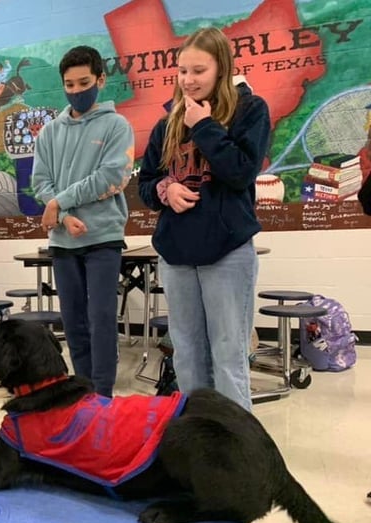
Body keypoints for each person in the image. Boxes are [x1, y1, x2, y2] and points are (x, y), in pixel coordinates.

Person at [138, 27, 271, 412]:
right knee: (187, 356)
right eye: (182, 71)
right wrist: (166, 190)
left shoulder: (250, 110)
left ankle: (235, 450)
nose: (188, 80)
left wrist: (204, 126)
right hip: (177, 255)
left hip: (227, 252)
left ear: (221, 70)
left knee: (229, 356)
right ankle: (198, 440)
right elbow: (146, 183)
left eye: (198, 71)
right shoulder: (167, 124)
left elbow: (241, 172)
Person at [32, 45, 135, 398]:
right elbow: (39, 183)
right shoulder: (48, 133)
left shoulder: (117, 125)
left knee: (102, 319)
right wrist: (61, 216)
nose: (76, 91)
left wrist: (62, 200)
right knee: (73, 323)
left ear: (101, 80)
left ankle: (103, 396)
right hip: (63, 241)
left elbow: (111, 177)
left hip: (103, 237)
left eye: (84, 82)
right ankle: (83, 394)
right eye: (69, 84)